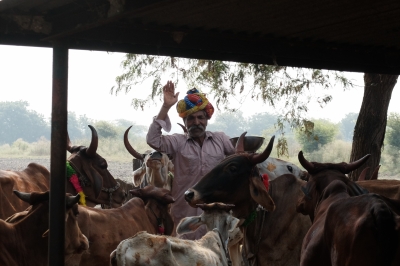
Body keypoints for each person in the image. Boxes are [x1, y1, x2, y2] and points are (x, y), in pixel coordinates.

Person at [146, 80, 235, 240]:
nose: (196, 122)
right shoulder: (178, 142)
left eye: (200, 117)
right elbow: (153, 140)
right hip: (185, 211)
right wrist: (166, 107)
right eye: (191, 119)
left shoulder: (220, 139)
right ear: (185, 123)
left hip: (215, 210)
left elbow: (237, 159)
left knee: (216, 254)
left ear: (207, 119)